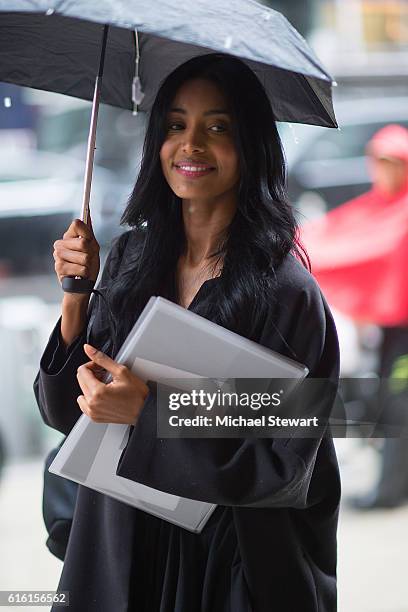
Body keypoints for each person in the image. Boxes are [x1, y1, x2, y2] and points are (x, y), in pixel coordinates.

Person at [33, 53, 341, 612]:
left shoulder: (288, 295)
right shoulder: (130, 259)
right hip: (118, 541)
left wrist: (148, 412)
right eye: (176, 125)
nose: (191, 145)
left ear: (252, 146)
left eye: (217, 127)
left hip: (217, 566)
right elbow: (65, 417)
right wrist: (76, 298)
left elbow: (285, 467)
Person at [302, 124, 408, 510]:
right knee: (389, 400)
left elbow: (369, 253)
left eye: (393, 163)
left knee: (399, 403)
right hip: (390, 334)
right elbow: (339, 239)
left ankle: (389, 492)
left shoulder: (401, 213)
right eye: (378, 162)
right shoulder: (376, 207)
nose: (385, 171)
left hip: (404, 337)